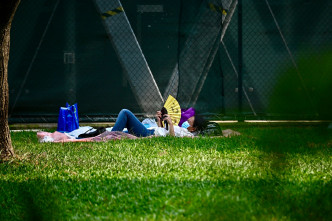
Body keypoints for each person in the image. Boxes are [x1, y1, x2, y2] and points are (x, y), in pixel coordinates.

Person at [111, 108, 207, 137]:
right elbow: (164, 132)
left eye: (188, 122)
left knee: (125, 113)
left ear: (193, 128)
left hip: (147, 133)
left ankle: (109, 137)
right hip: (152, 131)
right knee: (120, 132)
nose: (186, 121)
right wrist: (159, 120)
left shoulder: (188, 136)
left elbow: (171, 139)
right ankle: (106, 135)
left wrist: (170, 124)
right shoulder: (184, 130)